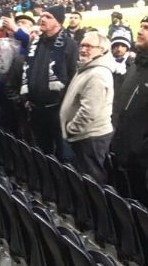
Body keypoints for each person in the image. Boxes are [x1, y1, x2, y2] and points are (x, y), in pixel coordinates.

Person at [21, 5, 78, 160]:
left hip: (57, 111)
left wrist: (64, 103)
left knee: (63, 156)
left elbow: (73, 76)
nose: (42, 19)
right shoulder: (35, 43)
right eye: (42, 16)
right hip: (36, 109)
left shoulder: (69, 44)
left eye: (48, 17)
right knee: (41, 154)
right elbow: (27, 71)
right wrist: (26, 99)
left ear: (58, 22)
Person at [59, 31, 113, 184]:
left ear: (101, 50)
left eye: (89, 46)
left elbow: (89, 111)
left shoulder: (97, 73)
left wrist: (71, 129)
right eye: (82, 45)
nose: (83, 49)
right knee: (84, 178)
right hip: (85, 135)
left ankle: (95, 208)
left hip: (90, 136)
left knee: (92, 181)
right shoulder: (87, 68)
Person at [111, 16, 148, 205]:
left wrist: (139, 150)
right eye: (141, 26)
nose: (140, 31)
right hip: (125, 157)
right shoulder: (135, 66)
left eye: (147, 28)